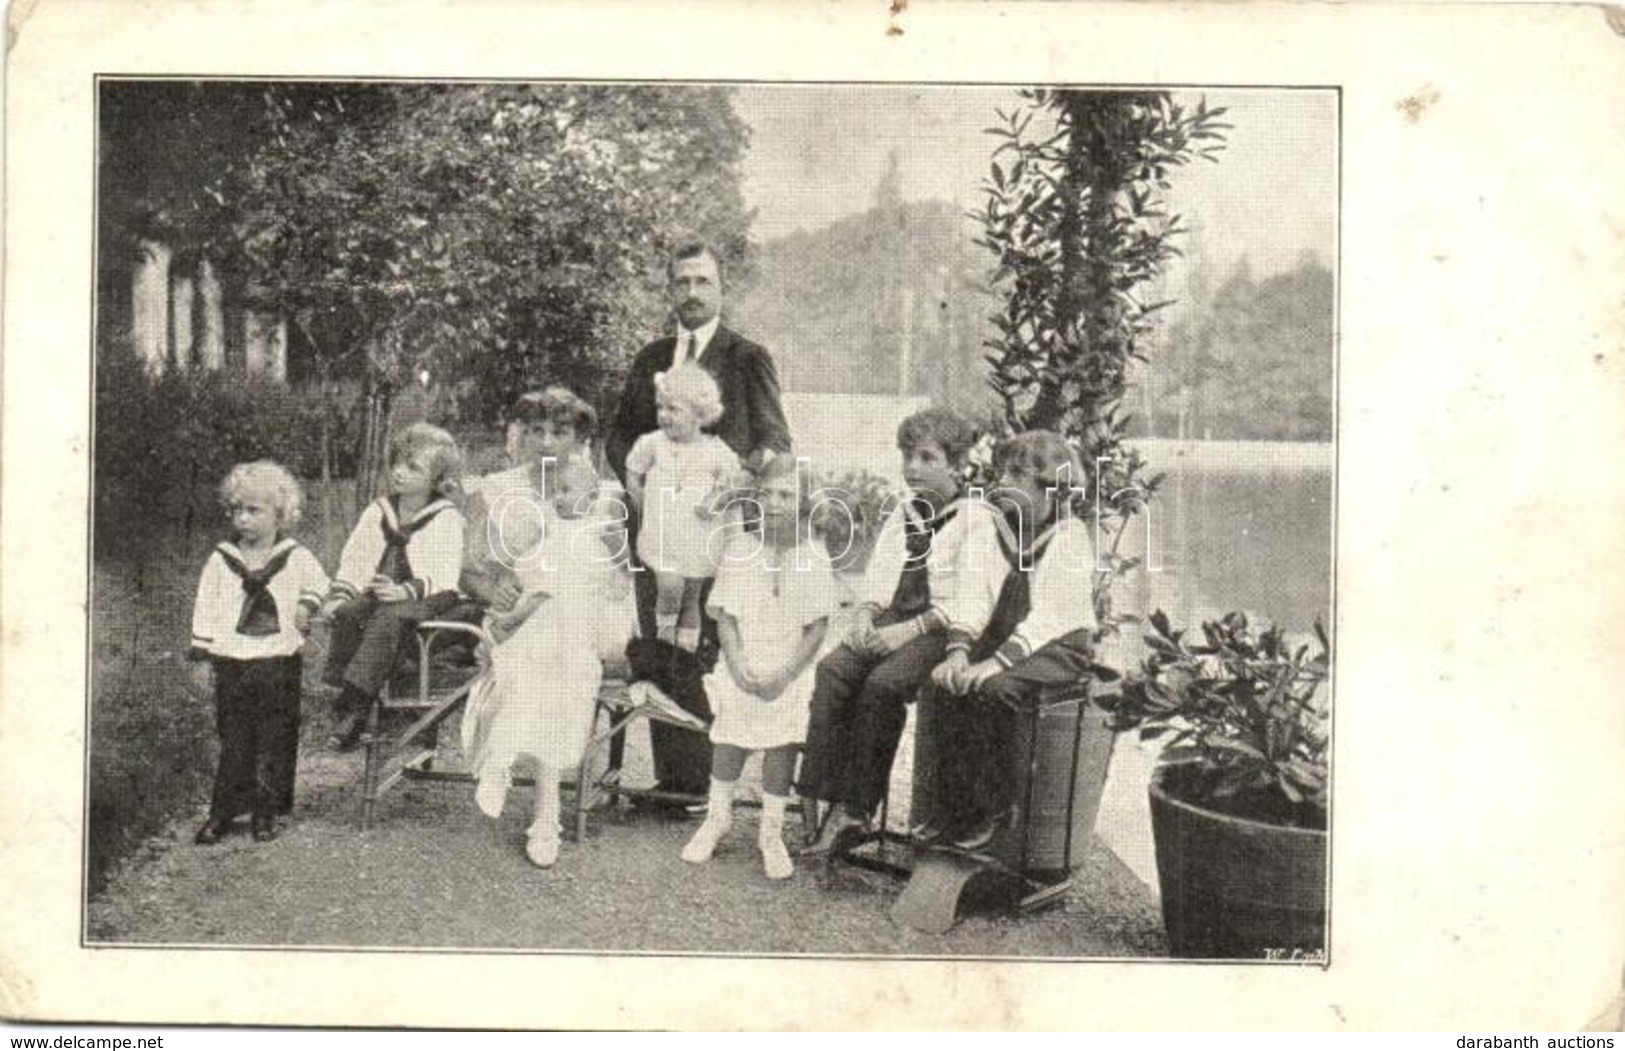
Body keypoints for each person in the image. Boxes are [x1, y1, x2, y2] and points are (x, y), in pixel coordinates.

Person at [606, 239, 793, 798]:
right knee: (661, 643)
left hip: (716, 533)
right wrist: (638, 491)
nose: (692, 293)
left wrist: (740, 478)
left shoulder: (746, 356)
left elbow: (776, 439)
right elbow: (621, 435)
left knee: (703, 646)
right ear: (670, 290)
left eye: (702, 282)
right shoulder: (651, 358)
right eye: (682, 282)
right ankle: (673, 783)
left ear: (720, 288)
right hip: (657, 532)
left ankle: (703, 787)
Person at [795, 406, 1001, 855]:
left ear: (958, 463)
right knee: (833, 669)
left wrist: (905, 633)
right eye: (908, 457)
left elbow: (971, 599)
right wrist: (866, 615)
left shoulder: (974, 519)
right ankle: (819, 794)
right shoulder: (904, 511)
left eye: (928, 458)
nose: (913, 468)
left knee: (883, 686)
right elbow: (880, 577)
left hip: (939, 630)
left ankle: (857, 809)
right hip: (892, 620)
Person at [917, 430, 1100, 852]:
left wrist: (991, 665)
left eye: (1017, 475)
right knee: (946, 684)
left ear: (1049, 487)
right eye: (1003, 472)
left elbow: (1049, 618)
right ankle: (951, 810)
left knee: (994, 692)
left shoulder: (1069, 537)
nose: (1003, 482)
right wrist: (960, 653)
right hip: (1004, 642)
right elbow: (973, 597)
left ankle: (994, 811)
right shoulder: (992, 530)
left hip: (1059, 646)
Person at [462, 459, 636, 868]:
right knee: (538, 674)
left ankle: (506, 766)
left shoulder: (601, 535)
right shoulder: (549, 535)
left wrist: (618, 554)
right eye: (554, 491)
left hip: (588, 636)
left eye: (567, 492)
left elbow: (607, 591)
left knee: (549, 655)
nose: (557, 499)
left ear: (592, 498)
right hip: (547, 640)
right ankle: (541, 811)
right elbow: (529, 585)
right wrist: (511, 611)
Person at [674, 456, 839, 880]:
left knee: (780, 743)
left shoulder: (814, 558)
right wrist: (738, 665)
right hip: (742, 661)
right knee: (729, 738)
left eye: (786, 494)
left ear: (805, 504)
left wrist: (783, 677)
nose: (774, 502)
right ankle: (717, 818)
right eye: (767, 493)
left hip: (790, 668)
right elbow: (725, 617)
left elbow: (816, 628)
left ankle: (770, 833)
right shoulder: (743, 549)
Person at [188, 461, 330, 844]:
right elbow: (206, 603)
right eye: (237, 511)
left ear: (279, 513)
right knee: (234, 737)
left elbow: (319, 582)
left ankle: (265, 811)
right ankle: (224, 810)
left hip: (278, 659)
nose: (243, 520)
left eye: (254, 511)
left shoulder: (294, 555)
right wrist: (202, 653)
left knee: (275, 736)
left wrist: (306, 605)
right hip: (232, 660)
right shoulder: (222, 559)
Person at [319, 423, 466, 751]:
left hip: (430, 594)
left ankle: (355, 708)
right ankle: (344, 688)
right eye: (396, 463)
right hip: (382, 590)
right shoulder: (380, 511)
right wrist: (340, 595)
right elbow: (356, 558)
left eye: (412, 467)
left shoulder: (446, 517)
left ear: (437, 478)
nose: (399, 472)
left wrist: (407, 590)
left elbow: (445, 571)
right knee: (351, 612)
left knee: (390, 618)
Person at [622, 363, 741, 652]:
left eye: (673, 409)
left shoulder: (716, 450)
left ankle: (684, 652)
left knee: (691, 596)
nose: (663, 415)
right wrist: (636, 492)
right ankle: (663, 642)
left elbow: (732, 485)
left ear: (699, 414)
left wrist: (715, 499)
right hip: (663, 532)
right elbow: (633, 468)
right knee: (670, 585)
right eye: (660, 407)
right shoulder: (652, 443)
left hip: (697, 536)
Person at [460, 386, 602, 615]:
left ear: (577, 438)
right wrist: (492, 592)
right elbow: (467, 570)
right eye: (537, 430)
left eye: (558, 433)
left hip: (576, 606)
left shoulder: (591, 493)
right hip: (512, 612)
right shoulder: (494, 489)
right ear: (524, 434)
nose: (546, 442)